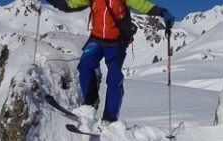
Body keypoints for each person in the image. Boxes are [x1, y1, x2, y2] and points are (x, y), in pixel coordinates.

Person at [46, 0, 175, 123]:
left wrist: (162, 12)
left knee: (114, 77)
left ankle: (110, 118)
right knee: (84, 66)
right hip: (96, 40)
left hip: (117, 43)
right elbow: (71, 4)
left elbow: (142, 4)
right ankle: (91, 103)